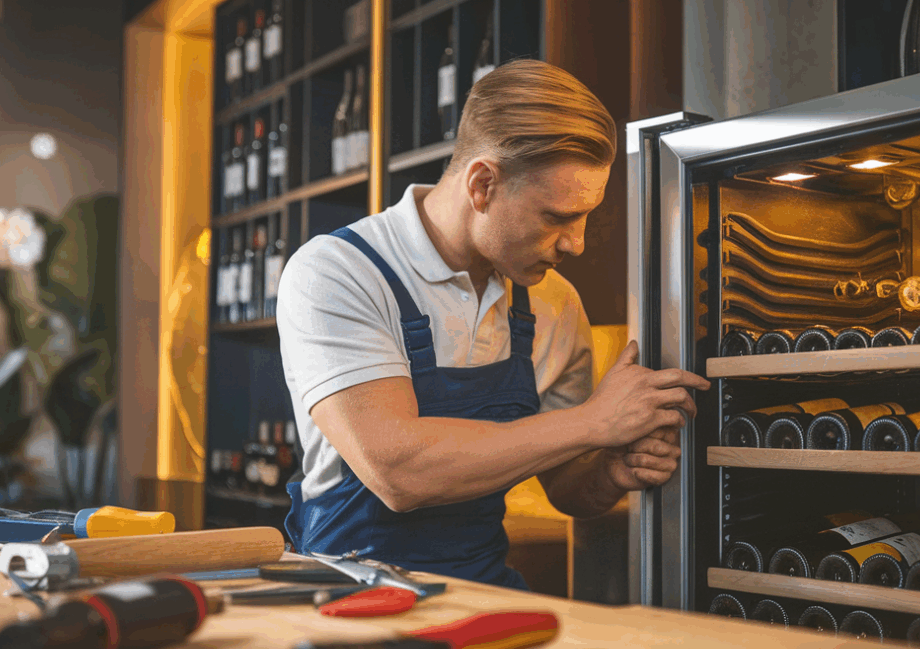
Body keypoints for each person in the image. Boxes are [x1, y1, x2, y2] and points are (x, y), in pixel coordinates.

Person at [277, 59, 710, 589]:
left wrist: (611, 470)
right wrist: (595, 421)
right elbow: (398, 471)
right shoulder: (339, 272)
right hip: (347, 593)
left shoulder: (554, 303)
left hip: (482, 592)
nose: (575, 243)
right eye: (557, 217)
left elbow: (566, 488)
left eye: (585, 216)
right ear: (483, 185)